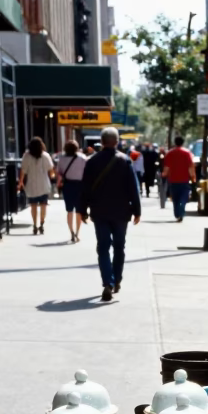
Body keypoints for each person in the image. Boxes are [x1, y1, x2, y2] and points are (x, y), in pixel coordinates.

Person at [80, 127, 141, 302]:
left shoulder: (92, 162)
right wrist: (137, 210)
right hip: (121, 212)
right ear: (116, 142)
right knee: (119, 247)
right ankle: (117, 280)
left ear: (102, 141)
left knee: (103, 247)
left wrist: (82, 210)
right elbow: (133, 188)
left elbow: (85, 188)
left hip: (99, 211)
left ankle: (107, 281)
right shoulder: (125, 161)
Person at [18, 137, 55, 234]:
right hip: (44, 184)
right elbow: (51, 171)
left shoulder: (26, 156)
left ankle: (35, 224)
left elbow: (23, 171)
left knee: (33, 206)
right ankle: (42, 223)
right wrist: (52, 177)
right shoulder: (45, 156)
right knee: (43, 205)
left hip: (31, 185)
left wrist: (20, 182)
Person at [55, 139, 88, 242]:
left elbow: (58, 173)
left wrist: (58, 183)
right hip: (80, 185)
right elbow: (87, 172)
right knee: (79, 211)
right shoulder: (83, 158)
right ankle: (78, 233)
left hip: (68, 185)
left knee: (69, 210)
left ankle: (71, 233)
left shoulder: (62, 159)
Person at [161, 135, 196, 222]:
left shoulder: (170, 153)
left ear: (175, 142)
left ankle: (177, 213)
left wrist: (164, 174)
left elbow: (167, 167)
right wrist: (193, 177)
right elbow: (191, 167)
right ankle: (180, 212)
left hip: (173, 180)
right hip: (184, 180)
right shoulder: (187, 153)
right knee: (183, 198)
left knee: (175, 198)